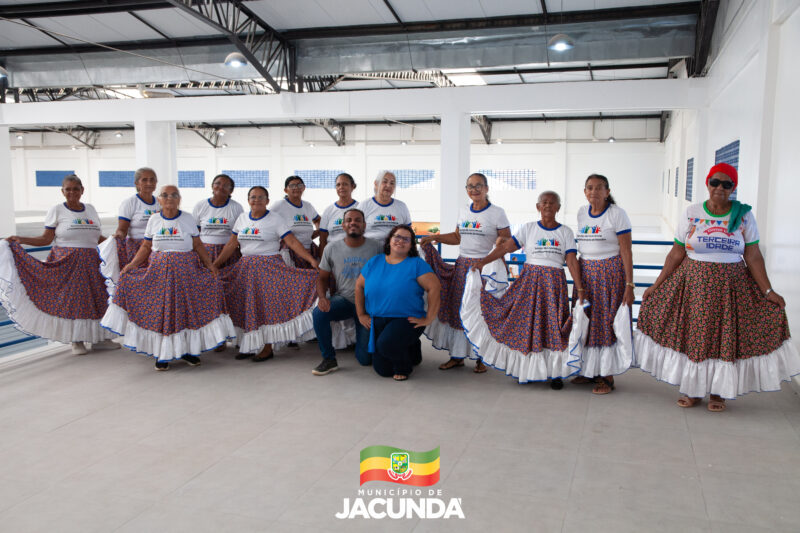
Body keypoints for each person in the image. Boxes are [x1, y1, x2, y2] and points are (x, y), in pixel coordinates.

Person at [635, 163, 800, 411]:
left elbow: (753, 256)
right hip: (693, 286)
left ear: (733, 187)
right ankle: (692, 390)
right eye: (715, 182)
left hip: (730, 288)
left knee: (723, 339)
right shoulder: (691, 212)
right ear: (707, 183)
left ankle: (717, 393)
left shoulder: (743, 215)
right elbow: (677, 252)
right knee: (695, 338)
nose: (720, 188)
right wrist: (656, 285)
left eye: (727, 184)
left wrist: (768, 291)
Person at [101, 185, 235, 370]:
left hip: (187, 275)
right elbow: (146, 247)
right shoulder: (154, 220)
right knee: (162, 312)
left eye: (173, 195)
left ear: (179, 199)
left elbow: (198, 245)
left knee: (186, 312)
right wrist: (131, 265)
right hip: (159, 275)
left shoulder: (188, 219)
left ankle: (187, 351)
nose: (169, 198)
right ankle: (162, 354)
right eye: (165, 195)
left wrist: (210, 265)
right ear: (160, 199)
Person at [462, 191, 584, 388]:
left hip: (554, 284)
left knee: (553, 326)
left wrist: (579, 287)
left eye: (552, 203)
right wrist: (483, 262)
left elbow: (571, 260)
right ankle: (526, 371)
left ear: (558, 208)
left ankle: (555, 373)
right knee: (527, 325)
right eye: (544, 202)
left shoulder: (566, 232)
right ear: (538, 207)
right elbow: (505, 248)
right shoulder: (528, 229)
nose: (547, 206)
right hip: (530, 282)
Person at [0, 174, 118, 355]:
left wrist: (115, 243)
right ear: (62, 191)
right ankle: (76, 340)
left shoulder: (91, 210)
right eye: (68, 189)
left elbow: (96, 237)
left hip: (93, 262)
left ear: (82, 190)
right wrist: (21, 239)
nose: (72, 192)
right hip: (67, 263)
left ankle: (100, 338)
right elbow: (46, 238)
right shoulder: (57, 210)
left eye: (76, 189)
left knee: (98, 299)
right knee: (73, 301)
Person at [213, 186, 320, 362]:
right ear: (248, 200)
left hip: (269, 269)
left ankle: (268, 347)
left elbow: (291, 241)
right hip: (245, 269)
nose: (256, 200)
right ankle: (248, 345)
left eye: (261, 197)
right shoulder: (241, 219)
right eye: (253, 197)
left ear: (267, 201)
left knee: (266, 308)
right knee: (245, 306)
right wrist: (214, 265)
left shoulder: (275, 219)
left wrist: (311, 260)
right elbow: (231, 245)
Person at [419, 172, 511, 373]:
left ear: (486, 189)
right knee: (459, 310)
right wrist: (435, 238)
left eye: (479, 186)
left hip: (484, 268)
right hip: (463, 267)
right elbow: (457, 237)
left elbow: (507, 241)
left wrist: (499, 243)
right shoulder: (463, 211)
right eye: (470, 186)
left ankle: (481, 357)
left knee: (479, 311)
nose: (474, 190)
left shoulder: (497, 212)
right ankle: (457, 356)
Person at [571, 173, 635, 394]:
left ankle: (606, 376)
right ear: (585, 191)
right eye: (589, 187)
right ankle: (588, 370)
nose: (594, 192)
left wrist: (629, 285)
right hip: (586, 275)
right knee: (586, 320)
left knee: (605, 323)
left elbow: (626, 250)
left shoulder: (617, 214)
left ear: (607, 192)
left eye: (599, 188)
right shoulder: (581, 213)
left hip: (610, 275)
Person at [356, 225, 441, 381]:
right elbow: (359, 286)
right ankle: (412, 348)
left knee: (386, 345)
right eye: (397, 237)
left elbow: (434, 287)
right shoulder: (375, 261)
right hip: (378, 319)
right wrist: (361, 313)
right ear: (389, 240)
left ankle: (405, 366)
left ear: (411, 244)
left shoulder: (416, 264)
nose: (400, 241)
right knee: (383, 370)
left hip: (407, 319)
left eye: (406, 239)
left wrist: (429, 318)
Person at [311, 208, 383, 376]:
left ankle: (365, 345)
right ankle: (329, 359)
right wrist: (322, 297)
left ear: (364, 225)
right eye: (349, 220)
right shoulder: (331, 248)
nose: (353, 223)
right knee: (319, 313)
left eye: (357, 220)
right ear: (343, 225)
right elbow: (322, 278)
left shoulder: (377, 247)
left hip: (367, 306)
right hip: (344, 300)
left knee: (365, 360)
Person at [110, 167, 160, 268]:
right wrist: (119, 236)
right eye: (144, 180)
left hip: (156, 246)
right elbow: (122, 229)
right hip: (136, 247)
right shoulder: (130, 203)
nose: (149, 183)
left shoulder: (160, 203)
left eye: (152, 180)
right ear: (137, 183)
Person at [192, 173, 244, 268]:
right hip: (204, 252)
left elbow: (239, 236)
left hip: (228, 253)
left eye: (225, 186)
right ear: (212, 186)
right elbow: (195, 234)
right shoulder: (200, 205)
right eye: (217, 183)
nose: (220, 187)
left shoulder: (236, 207)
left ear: (231, 190)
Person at [271, 175, 321, 269]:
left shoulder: (308, 206)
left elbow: (318, 220)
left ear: (304, 188)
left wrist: (318, 231)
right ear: (286, 190)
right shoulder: (279, 205)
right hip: (290, 251)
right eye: (292, 186)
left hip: (309, 248)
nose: (296, 188)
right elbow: (266, 219)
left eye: (299, 185)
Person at [359, 170, 412, 241]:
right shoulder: (364, 205)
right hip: (370, 249)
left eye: (392, 183)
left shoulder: (402, 206)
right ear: (376, 184)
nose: (388, 185)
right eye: (385, 181)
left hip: (395, 249)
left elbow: (408, 232)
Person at [318, 173, 359, 255]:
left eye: (345, 184)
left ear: (353, 186)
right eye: (338, 185)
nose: (341, 187)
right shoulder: (329, 210)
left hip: (355, 255)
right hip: (332, 256)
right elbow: (322, 239)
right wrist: (323, 263)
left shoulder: (360, 208)